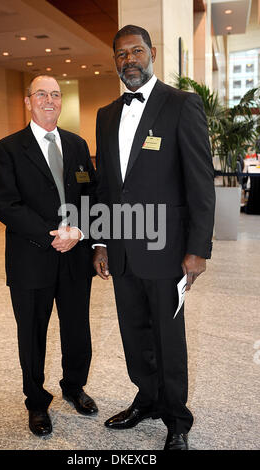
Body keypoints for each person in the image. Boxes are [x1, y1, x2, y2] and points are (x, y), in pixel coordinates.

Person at [93, 25, 215, 450]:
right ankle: (146, 399)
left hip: (167, 250)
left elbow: (201, 182)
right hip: (123, 248)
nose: (129, 59)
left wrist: (197, 250)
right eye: (121, 53)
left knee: (168, 335)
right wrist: (102, 241)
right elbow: (107, 188)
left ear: (152, 53)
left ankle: (177, 419)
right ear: (115, 61)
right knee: (134, 332)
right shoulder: (105, 115)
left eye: (137, 51)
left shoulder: (182, 105)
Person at [0, 75, 98, 437]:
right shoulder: (8, 148)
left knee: (76, 328)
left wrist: (81, 233)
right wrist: (50, 235)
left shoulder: (78, 144)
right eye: (41, 94)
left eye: (55, 94)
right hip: (31, 257)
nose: (49, 100)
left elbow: (92, 196)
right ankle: (36, 402)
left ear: (61, 101)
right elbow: (6, 204)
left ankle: (74, 387)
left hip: (75, 257)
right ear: (28, 101)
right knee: (32, 334)